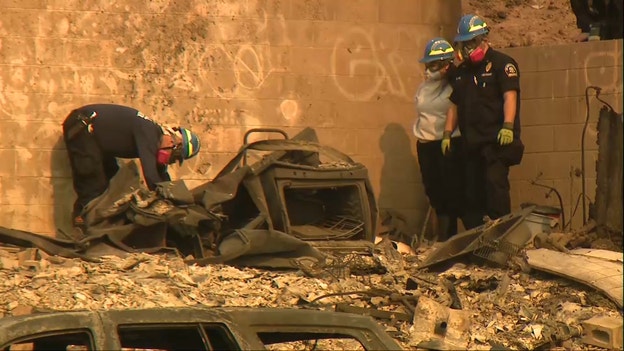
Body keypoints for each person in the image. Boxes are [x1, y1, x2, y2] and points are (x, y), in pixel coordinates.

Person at [62, 104, 201, 232]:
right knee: (93, 184)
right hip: (82, 127)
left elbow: (162, 177)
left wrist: (176, 200)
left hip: (97, 141)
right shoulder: (150, 133)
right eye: (175, 156)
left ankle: (100, 229)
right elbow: (152, 176)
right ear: (172, 141)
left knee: (114, 182)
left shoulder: (154, 136)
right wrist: (164, 202)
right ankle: (81, 228)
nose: (171, 161)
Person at [442, 14, 524, 230]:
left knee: (494, 188)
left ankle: (500, 237)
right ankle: (476, 242)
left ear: (483, 39)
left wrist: (507, 126)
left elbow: (510, 96)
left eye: (471, 42)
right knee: (471, 195)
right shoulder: (463, 72)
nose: (467, 48)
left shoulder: (502, 64)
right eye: (464, 43)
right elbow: (455, 105)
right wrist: (447, 133)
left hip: (496, 142)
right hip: (472, 144)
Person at [413, 37, 465, 241]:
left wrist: (448, 135)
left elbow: (457, 108)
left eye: (432, 65)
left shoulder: (453, 86)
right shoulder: (424, 88)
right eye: (427, 65)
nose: (428, 70)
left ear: (445, 65)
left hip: (447, 143)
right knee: (433, 191)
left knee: (449, 193)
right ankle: (442, 236)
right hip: (426, 145)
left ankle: (449, 237)